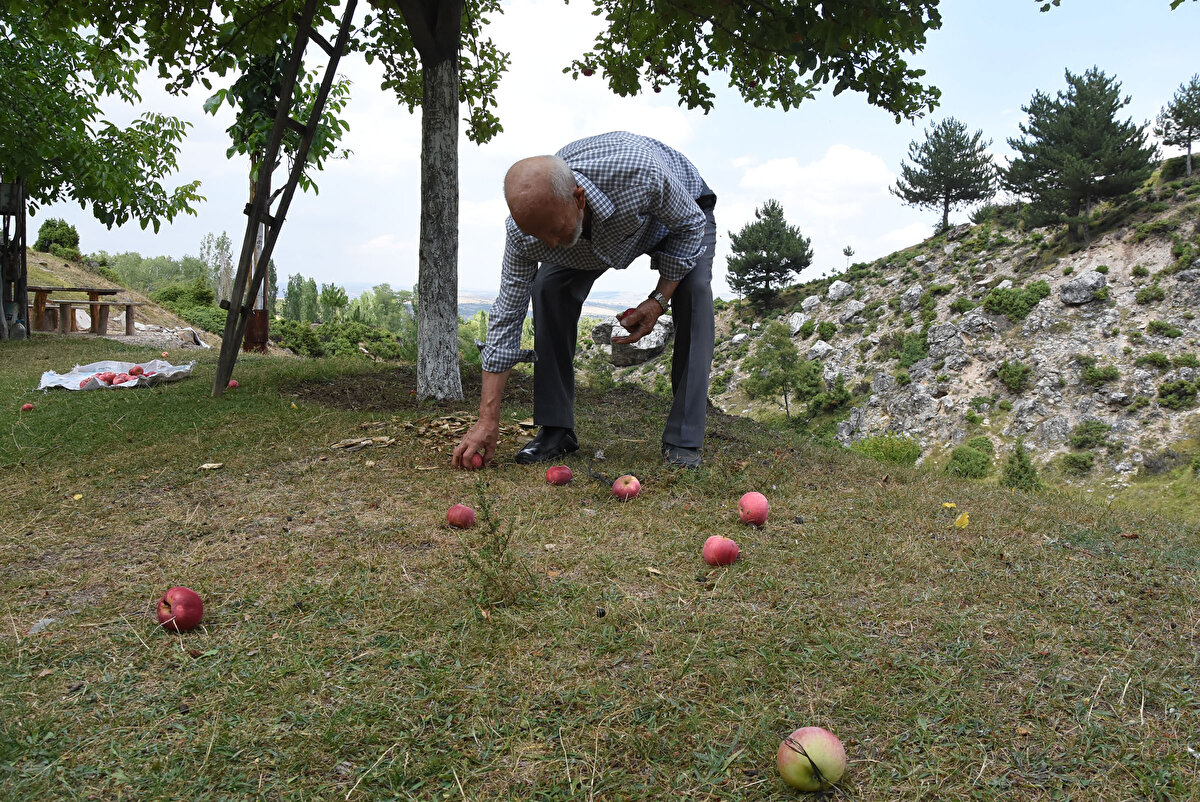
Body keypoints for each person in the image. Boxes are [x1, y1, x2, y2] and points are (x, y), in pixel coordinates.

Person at [452, 131, 717, 470]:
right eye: (536, 235)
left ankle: (684, 440)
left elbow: (690, 226)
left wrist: (658, 299)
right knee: (548, 288)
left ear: (578, 198)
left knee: (694, 294)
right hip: (595, 232)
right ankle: (556, 429)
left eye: (551, 229)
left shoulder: (639, 174)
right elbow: (506, 316)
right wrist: (487, 420)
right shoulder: (526, 235)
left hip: (679, 216)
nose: (547, 245)